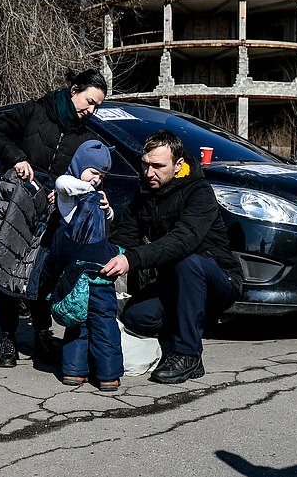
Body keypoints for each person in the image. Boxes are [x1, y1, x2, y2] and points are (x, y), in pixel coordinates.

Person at [0, 68, 108, 368]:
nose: (90, 110)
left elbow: (82, 175)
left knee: (40, 273)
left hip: (52, 210)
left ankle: (41, 334)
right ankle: (8, 338)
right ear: (74, 90)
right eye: (89, 101)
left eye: (97, 107)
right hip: (17, 201)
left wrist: (64, 192)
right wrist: (17, 158)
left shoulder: (85, 136)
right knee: (8, 266)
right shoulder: (35, 111)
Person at [101, 130, 243, 385]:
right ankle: (186, 323)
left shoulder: (199, 192)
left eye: (157, 166)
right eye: (145, 164)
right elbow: (123, 238)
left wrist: (132, 260)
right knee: (136, 317)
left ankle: (187, 353)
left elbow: (182, 241)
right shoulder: (145, 192)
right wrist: (95, 242)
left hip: (217, 279)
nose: (148, 172)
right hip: (175, 282)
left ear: (178, 165)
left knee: (187, 260)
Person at [47, 140, 122, 391]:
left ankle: (107, 375)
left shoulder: (95, 195)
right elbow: (61, 182)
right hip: (79, 274)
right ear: (79, 166)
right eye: (93, 172)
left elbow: (108, 221)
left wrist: (108, 209)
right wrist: (88, 188)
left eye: (101, 176)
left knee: (102, 322)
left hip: (96, 274)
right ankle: (75, 371)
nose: (96, 180)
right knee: (78, 321)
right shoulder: (69, 193)